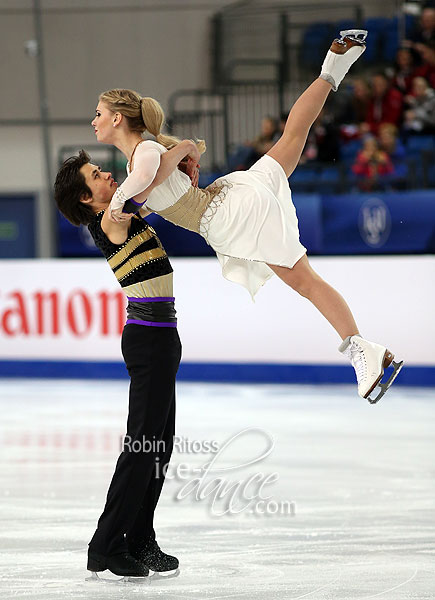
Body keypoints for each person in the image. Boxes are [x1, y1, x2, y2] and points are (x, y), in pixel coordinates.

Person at [91, 30, 403, 404]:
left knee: (303, 279)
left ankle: (360, 350)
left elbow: (142, 182)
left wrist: (122, 198)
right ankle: (334, 65)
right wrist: (182, 150)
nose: (94, 120)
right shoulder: (146, 151)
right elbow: (147, 182)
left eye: (98, 113)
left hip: (232, 216)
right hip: (232, 196)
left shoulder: (143, 152)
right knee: (292, 136)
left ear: (118, 118)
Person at [54, 149, 197, 580]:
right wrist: (183, 148)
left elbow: (157, 181)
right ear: (86, 198)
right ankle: (106, 546)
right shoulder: (111, 218)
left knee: (158, 448)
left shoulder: (126, 213)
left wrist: (182, 161)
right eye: (96, 175)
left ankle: (139, 538)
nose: (107, 175)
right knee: (141, 449)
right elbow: (150, 172)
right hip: (148, 340)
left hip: (162, 337)